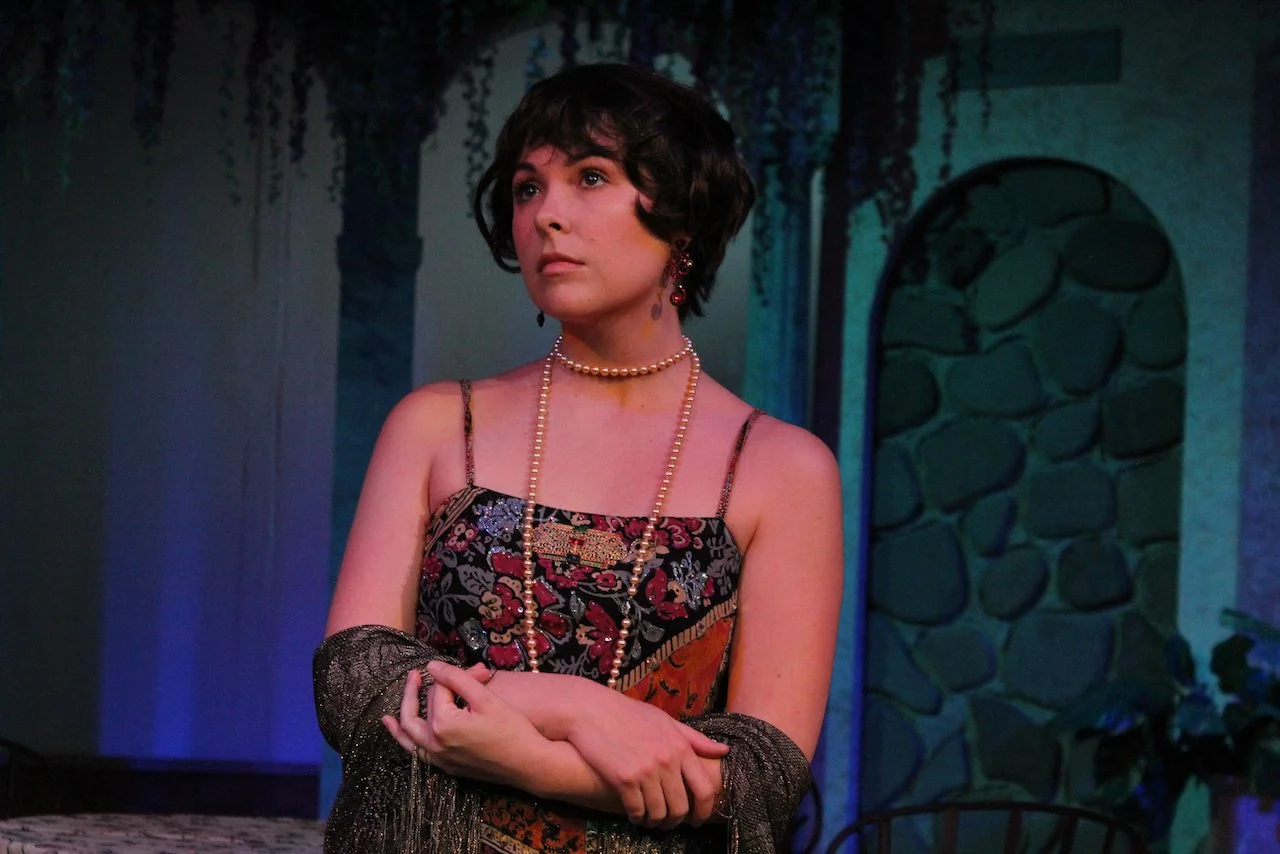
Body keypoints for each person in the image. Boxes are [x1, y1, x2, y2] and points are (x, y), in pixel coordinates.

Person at [313, 63, 843, 854]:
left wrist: (535, 762)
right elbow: (355, 679)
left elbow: (761, 771)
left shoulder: (778, 465)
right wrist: (577, 708)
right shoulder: (434, 425)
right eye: (528, 188)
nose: (547, 215)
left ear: (683, 218)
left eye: (590, 178)